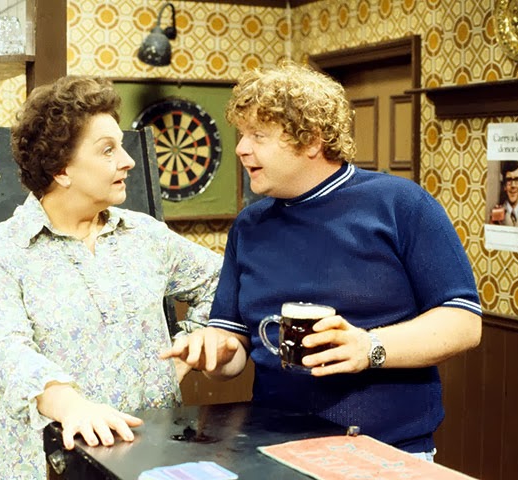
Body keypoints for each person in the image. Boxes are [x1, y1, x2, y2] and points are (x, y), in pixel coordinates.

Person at [161, 61, 482, 460]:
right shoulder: (248, 225)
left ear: (311, 140)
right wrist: (214, 352)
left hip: (389, 453)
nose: (241, 148)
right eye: (242, 135)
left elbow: (463, 322)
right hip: (274, 450)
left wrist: (370, 347)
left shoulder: (402, 204)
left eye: (258, 135)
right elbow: (234, 349)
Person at [0, 76, 222, 480]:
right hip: (47, 465)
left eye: (121, 146)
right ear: (61, 169)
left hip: (146, 457)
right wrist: (71, 406)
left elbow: (221, 282)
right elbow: (3, 351)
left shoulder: (146, 237)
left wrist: (192, 341)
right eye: (108, 150)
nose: (128, 161)